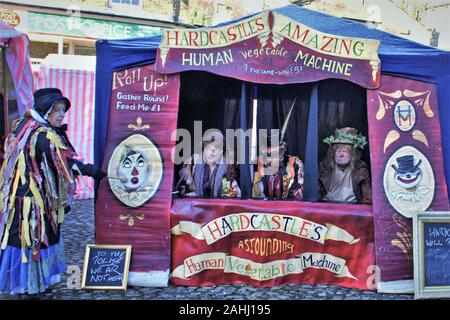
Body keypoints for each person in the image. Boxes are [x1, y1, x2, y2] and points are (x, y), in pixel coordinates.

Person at [0, 88, 106, 295]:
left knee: (32, 237)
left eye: (63, 111)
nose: (61, 115)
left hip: (32, 199)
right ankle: (29, 284)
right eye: (56, 110)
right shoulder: (43, 136)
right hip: (32, 202)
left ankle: (33, 282)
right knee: (32, 239)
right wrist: (95, 172)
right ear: (45, 109)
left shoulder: (24, 126)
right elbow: (68, 162)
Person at [176, 130, 241, 198]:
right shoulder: (193, 165)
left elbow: (234, 200)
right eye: (208, 147)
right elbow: (184, 189)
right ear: (204, 148)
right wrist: (191, 195)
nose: (211, 153)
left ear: (221, 151)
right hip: (198, 206)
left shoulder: (229, 169)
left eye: (216, 148)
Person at [319, 127, 372, 204]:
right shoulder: (323, 167)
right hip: (327, 206)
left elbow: (367, 198)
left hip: (352, 208)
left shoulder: (361, 169)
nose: (341, 154)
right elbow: (314, 194)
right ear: (333, 153)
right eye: (338, 151)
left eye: (345, 151)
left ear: (353, 154)